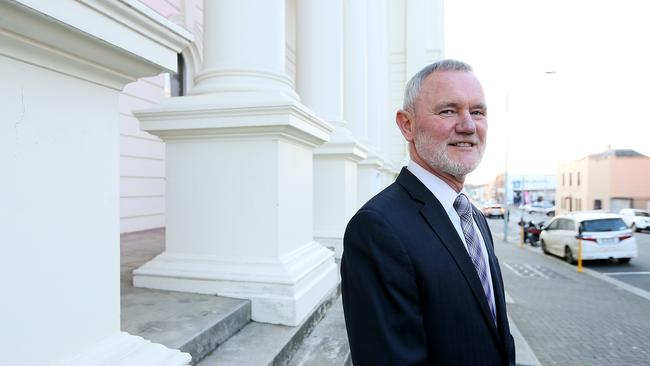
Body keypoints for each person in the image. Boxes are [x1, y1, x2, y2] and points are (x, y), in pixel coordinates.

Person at [341, 59, 516, 366]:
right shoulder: (377, 230)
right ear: (407, 125)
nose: (468, 125)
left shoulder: (473, 216)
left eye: (477, 111)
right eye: (448, 110)